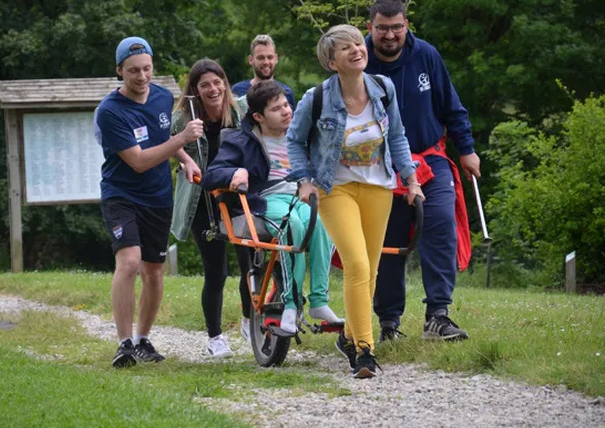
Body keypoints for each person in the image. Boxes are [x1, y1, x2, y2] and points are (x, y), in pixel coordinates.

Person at [286, 25, 423, 378]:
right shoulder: (316, 98)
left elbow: (397, 136)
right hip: (336, 189)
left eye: (358, 44)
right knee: (357, 266)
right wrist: (304, 181)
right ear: (332, 62)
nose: (356, 50)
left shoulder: (383, 89)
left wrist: (411, 180)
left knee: (371, 271)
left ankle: (347, 337)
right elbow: (294, 141)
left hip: (379, 187)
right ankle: (364, 351)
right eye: (345, 48)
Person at [365, 0, 480, 342]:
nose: (390, 35)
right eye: (383, 28)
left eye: (397, 27)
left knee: (441, 221)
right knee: (387, 240)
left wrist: (468, 149)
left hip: (430, 158)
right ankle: (388, 322)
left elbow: (451, 106)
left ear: (406, 24)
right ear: (370, 27)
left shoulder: (427, 55)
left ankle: (438, 315)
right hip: (378, 164)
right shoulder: (357, 58)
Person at [202, 80, 344, 335]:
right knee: (293, 227)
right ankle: (291, 303)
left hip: (300, 195)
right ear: (258, 116)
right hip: (266, 198)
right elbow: (211, 175)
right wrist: (237, 171)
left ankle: (319, 301)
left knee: (321, 224)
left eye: (286, 105)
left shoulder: (301, 136)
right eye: (277, 109)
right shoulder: (242, 141)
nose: (286, 111)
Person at [95, 36, 203, 368]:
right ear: (119, 71)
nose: (142, 77)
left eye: (146, 69)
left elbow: (162, 140)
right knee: (129, 263)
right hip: (122, 195)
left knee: (155, 271)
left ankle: (142, 340)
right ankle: (123, 343)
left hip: (158, 196)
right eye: (133, 71)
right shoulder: (110, 112)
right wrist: (183, 139)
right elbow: (140, 161)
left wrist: (185, 158)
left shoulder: (161, 96)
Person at [170, 59, 252, 358]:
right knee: (216, 271)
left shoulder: (241, 110)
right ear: (195, 90)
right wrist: (185, 157)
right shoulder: (184, 117)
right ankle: (215, 337)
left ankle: (248, 319)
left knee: (250, 263)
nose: (213, 89)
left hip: (239, 198)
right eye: (205, 84)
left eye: (217, 82)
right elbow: (168, 141)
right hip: (203, 201)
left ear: (225, 83)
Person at [231, 35, 296, 110]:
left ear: (276, 59)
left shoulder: (286, 93)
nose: (266, 62)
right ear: (251, 60)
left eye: (270, 57)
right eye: (261, 58)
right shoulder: (238, 91)